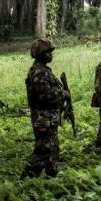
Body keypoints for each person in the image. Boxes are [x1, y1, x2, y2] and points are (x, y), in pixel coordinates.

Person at [21, 38, 71, 178]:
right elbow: (45, 95)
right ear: (40, 54)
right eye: (48, 52)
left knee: (53, 146)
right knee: (43, 149)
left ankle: (52, 173)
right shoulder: (38, 72)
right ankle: (26, 179)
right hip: (43, 117)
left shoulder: (43, 70)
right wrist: (63, 93)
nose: (51, 55)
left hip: (49, 116)